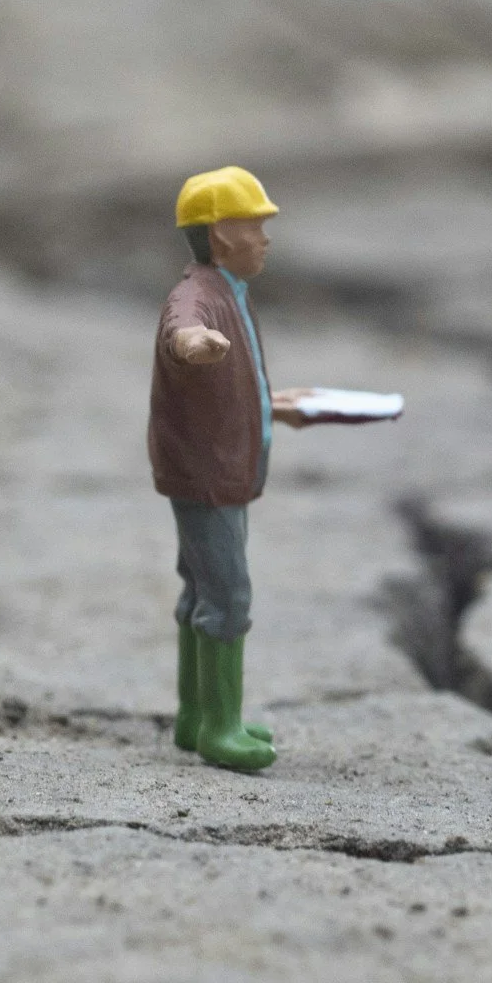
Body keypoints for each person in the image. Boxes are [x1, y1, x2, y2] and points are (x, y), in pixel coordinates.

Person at [149, 166, 314, 772]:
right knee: (227, 593)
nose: (266, 238)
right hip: (207, 473)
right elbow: (180, 332)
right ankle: (220, 726)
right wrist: (194, 346)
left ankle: (197, 717)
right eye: (256, 225)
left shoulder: (230, 293)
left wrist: (273, 406)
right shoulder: (197, 298)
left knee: (201, 587)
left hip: (219, 467)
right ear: (221, 235)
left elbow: (228, 384)